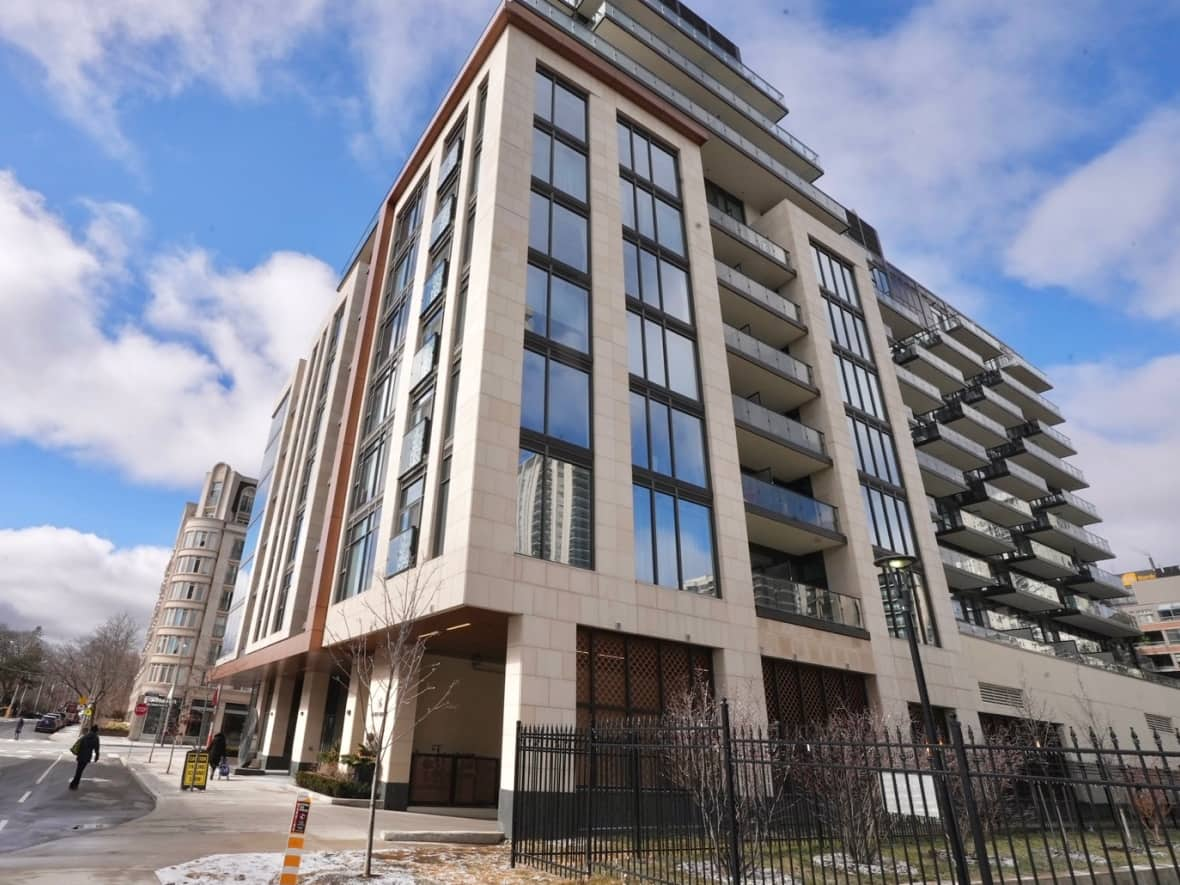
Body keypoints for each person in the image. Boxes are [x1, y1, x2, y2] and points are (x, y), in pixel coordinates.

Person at [69, 725, 100, 790]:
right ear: (96, 731)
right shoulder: (96, 738)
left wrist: (77, 753)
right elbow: (96, 749)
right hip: (87, 756)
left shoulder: (85, 736)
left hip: (80, 755)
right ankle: (74, 784)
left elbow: (79, 745)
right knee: (80, 771)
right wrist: (96, 757)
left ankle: (74, 784)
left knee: (79, 770)